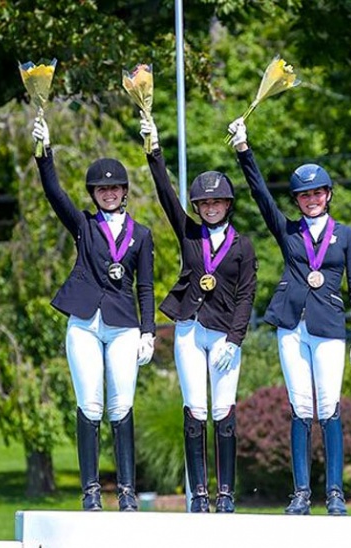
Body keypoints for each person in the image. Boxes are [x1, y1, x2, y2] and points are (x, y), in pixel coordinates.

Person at [227, 117, 351, 516]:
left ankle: (336, 492)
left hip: (328, 327)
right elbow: (259, 196)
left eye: (317, 193)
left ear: (328, 195)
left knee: (329, 407)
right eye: (304, 195)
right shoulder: (288, 232)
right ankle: (302, 492)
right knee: (301, 406)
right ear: (297, 199)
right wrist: (244, 151)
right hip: (292, 326)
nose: (311, 199)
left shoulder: (347, 236)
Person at [32, 117, 155, 512]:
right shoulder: (83, 225)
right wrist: (44, 153)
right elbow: (54, 193)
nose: (109, 193)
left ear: (124, 191)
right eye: (102, 188)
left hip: (123, 325)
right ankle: (89, 490)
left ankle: (126, 490)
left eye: (115, 187)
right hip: (84, 322)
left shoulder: (142, 234)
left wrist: (149, 331)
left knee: (121, 406)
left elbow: (146, 287)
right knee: (90, 404)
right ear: (94, 192)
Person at [139, 115, 257, 513]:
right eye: (204, 203)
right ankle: (199, 495)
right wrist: (154, 151)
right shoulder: (189, 232)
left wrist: (236, 339)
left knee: (224, 411)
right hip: (189, 328)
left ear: (227, 205)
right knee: (195, 409)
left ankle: (226, 493)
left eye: (217, 202)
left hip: (225, 334)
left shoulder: (243, 246)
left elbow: (247, 296)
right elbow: (166, 196)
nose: (210, 208)